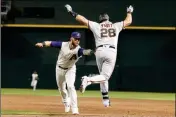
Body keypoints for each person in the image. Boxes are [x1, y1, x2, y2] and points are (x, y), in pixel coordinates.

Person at [65, 4, 134, 107]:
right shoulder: (115, 25)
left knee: (102, 76)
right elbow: (129, 21)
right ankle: (88, 80)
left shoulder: (96, 25)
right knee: (105, 76)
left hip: (99, 51)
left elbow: (83, 20)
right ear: (108, 19)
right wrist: (129, 12)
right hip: (111, 51)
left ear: (100, 20)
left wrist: (72, 12)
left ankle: (105, 100)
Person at [35, 32, 94, 115]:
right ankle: (66, 102)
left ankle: (75, 109)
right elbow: (51, 43)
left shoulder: (78, 49)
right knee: (61, 88)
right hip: (59, 68)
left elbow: (85, 52)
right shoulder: (63, 45)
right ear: (71, 38)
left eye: (79, 39)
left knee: (70, 86)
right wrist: (42, 44)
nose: (77, 41)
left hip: (70, 69)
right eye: (76, 39)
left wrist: (92, 52)